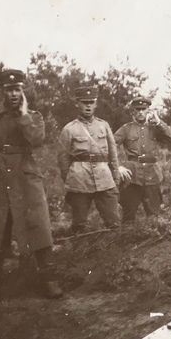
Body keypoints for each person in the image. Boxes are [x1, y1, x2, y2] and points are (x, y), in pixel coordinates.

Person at [0, 69, 61, 300]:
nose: (14, 93)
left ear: (23, 90)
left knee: (38, 224)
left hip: (25, 175)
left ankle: (47, 280)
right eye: (9, 89)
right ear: (2, 91)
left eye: (18, 89)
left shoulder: (33, 116)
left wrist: (24, 115)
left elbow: (37, 140)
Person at [57, 86, 125, 234]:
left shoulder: (104, 126)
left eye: (91, 102)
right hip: (80, 180)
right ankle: (81, 253)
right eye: (84, 102)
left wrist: (115, 178)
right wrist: (71, 179)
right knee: (79, 225)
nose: (88, 106)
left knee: (114, 222)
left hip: (104, 178)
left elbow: (113, 154)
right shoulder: (69, 129)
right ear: (77, 103)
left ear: (96, 104)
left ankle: (115, 254)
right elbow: (63, 159)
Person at [114, 95, 171, 223]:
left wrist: (159, 122)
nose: (141, 112)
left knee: (154, 215)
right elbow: (109, 146)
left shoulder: (155, 128)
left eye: (144, 109)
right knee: (128, 215)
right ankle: (128, 241)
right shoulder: (126, 129)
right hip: (132, 177)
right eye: (138, 109)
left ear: (148, 110)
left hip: (152, 175)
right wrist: (118, 166)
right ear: (133, 112)